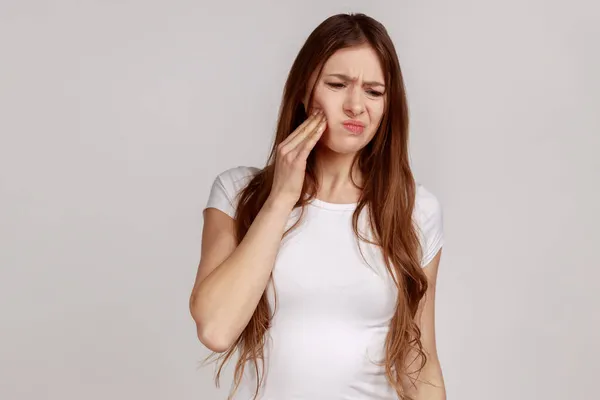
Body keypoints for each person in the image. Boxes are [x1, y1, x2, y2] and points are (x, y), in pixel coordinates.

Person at [189, 12, 446, 400]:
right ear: (304, 90)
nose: (356, 105)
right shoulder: (238, 193)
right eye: (338, 84)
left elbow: (419, 361)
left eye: (374, 91)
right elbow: (216, 329)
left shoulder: (414, 209)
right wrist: (281, 198)